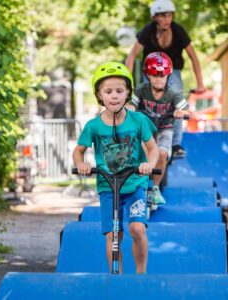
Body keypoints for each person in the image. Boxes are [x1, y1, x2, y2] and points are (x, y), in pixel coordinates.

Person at [73, 61, 159, 274]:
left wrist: (149, 165)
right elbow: (78, 151)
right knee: (113, 235)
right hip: (108, 186)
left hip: (135, 183)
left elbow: (152, 148)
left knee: (137, 229)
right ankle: (117, 280)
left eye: (119, 91)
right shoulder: (93, 126)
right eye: (108, 91)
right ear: (99, 95)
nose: (114, 96)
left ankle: (141, 275)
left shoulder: (138, 120)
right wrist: (81, 164)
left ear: (128, 93)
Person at [125, 0, 205, 158]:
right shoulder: (147, 31)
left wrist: (200, 83)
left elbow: (193, 57)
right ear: (155, 17)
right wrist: (127, 84)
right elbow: (132, 55)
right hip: (150, 71)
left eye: (169, 16)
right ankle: (141, 136)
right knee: (143, 98)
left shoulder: (178, 31)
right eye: (162, 16)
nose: (166, 19)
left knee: (175, 95)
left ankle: (175, 144)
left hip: (172, 71)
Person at [130, 52, 189, 205]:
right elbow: (131, 104)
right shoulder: (141, 90)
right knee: (143, 151)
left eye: (162, 76)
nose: (158, 79)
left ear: (168, 76)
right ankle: (142, 185)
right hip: (146, 127)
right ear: (147, 76)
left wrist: (181, 112)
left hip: (165, 127)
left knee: (162, 154)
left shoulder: (173, 93)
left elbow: (188, 110)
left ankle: (155, 188)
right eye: (154, 75)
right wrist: (129, 109)